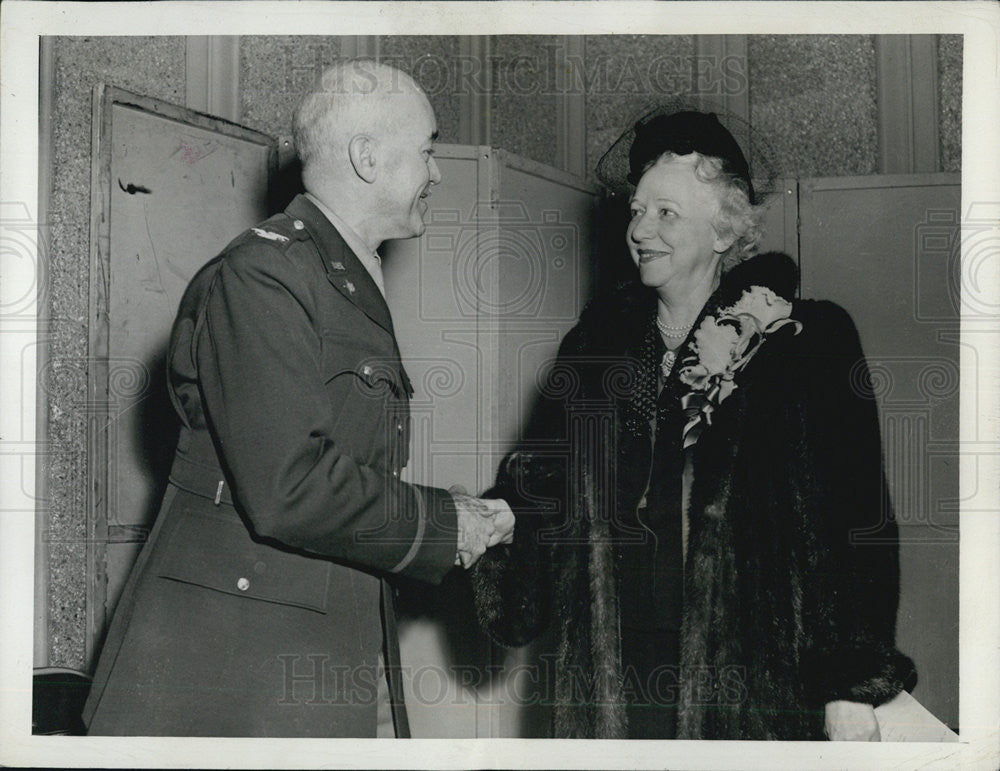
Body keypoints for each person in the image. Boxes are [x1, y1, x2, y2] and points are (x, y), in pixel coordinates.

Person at [83, 60, 514, 738]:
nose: (435, 172)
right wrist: (444, 523)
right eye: (427, 149)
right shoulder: (265, 275)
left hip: (325, 631)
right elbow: (290, 484)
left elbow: (340, 467)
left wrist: (450, 514)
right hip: (243, 659)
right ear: (369, 158)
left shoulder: (333, 275)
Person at [471, 109, 915, 740]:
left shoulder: (804, 340)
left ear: (724, 228)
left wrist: (850, 686)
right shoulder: (595, 348)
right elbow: (543, 480)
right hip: (616, 670)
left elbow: (855, 520)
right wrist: (494, 518)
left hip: (755, 678)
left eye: (666, 214)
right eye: (636, 210)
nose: (640, 229)